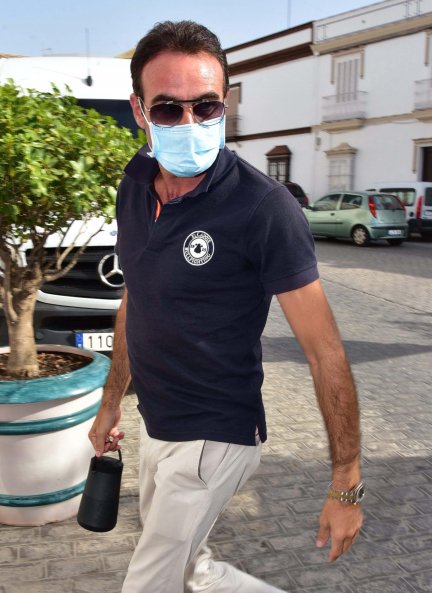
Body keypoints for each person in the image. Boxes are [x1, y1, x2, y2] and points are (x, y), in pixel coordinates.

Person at [89, 20, 363, 593]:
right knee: (196, 570)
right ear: (139, 110)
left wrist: (346, 483)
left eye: (206, 106)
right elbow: (135, 299)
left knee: (148, 582)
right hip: (158, 425)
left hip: (216, 436)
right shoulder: (134, 184)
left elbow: (325, 351)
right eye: (168, 109)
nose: (189, 123)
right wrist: (112, 401)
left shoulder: (263, 207)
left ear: (225, 104)